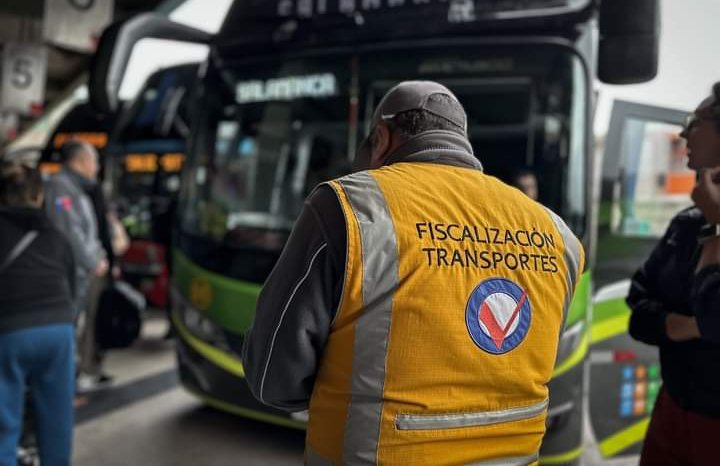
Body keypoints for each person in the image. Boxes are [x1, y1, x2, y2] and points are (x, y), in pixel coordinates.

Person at [242, 81, 585, 465]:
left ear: (383, 138)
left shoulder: (348, 208)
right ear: (462, 140)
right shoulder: (558, 236)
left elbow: (273, 376)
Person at [626, 82, 720, 465]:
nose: (683, 133)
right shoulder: (686, 224)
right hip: (672, 406)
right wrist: (684, 325)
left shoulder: (707, 221)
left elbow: (716, 317)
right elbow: (637, 305)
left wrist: (718, 225)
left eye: (693, 122)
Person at [0, 162, 75, 466]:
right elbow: (71, 282)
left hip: (10, 331)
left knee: (4, 420)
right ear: (39, 195)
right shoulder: (56, 233)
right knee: (57, 419)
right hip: (59, 329)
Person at [44, 140, 110, 391]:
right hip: (68, 273)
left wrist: (98, 255)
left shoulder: (74, 188)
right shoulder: (61, 189)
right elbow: (70, 233)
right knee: (66, 326)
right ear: (80, 161)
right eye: (94, 161)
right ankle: (62, 383)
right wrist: (94, 260)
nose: (96, 167)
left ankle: (66, 380)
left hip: (79, 272)